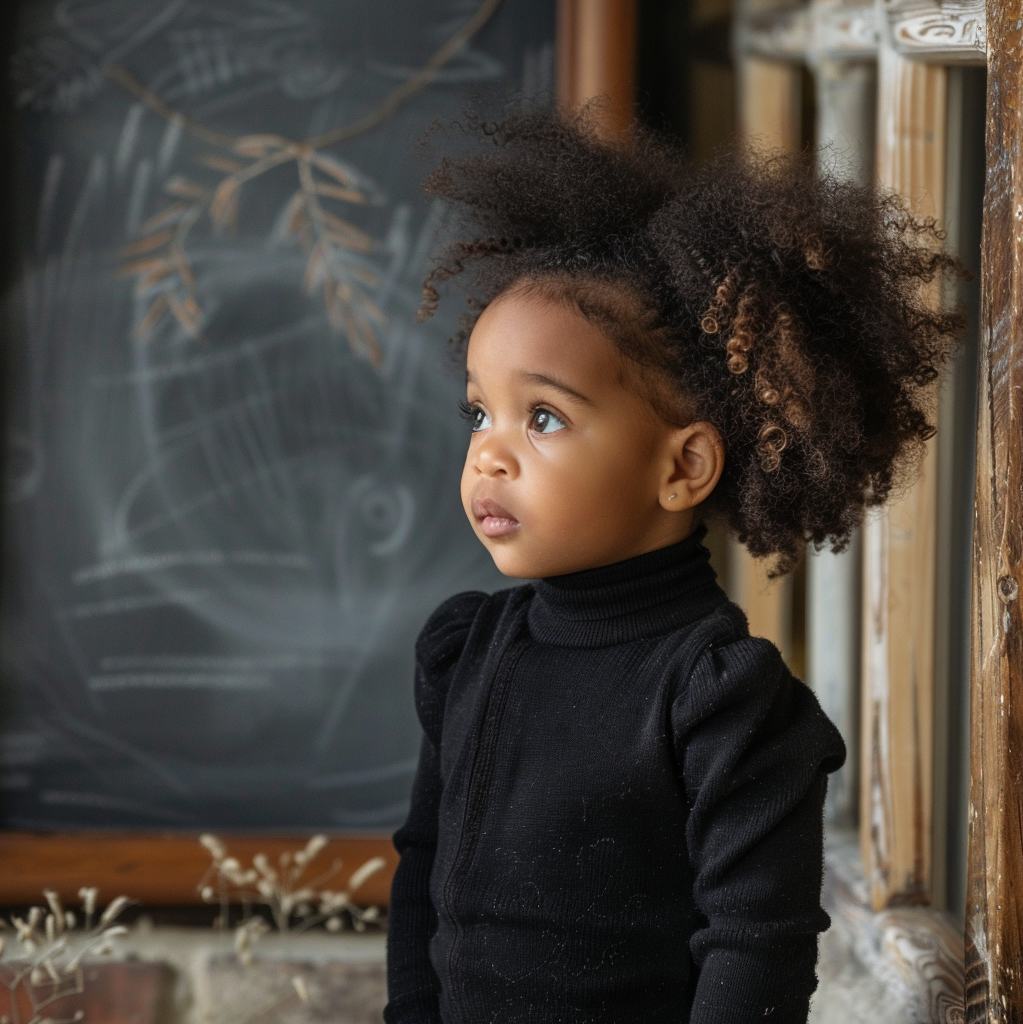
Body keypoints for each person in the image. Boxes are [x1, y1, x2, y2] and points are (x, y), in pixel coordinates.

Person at [382, 106, 965, 1024]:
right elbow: (422, 871)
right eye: (479, 413)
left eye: (542, 418)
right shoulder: (466, 653)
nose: (488, 454)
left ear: (682, 466)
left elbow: (756, 952)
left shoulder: (721, 702)